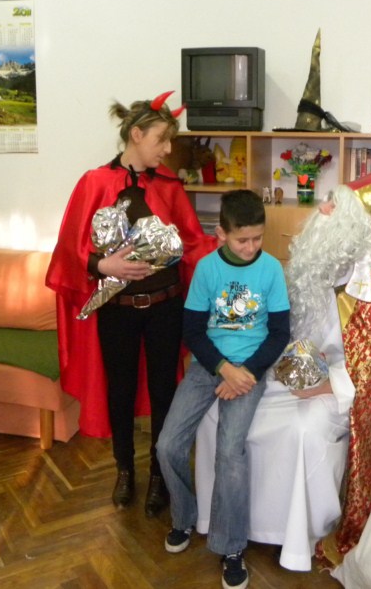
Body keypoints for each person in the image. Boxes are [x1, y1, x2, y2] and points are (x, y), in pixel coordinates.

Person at [195, 171, 371, 572]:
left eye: (334, 206)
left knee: (301, 430)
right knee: (214, 413)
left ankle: (295, 535)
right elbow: (284, 331)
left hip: (341, 389)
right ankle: (230, 520)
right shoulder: (314, 267)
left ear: (352, 225)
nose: (323, 209)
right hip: (295, 370)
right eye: (327, 200)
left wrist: (322, 387)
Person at [45, 91, 216, 517]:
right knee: (119, 391)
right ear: (136, 135)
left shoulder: (169, 186)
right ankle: (125, 470)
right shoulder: (94, 183)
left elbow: (192, 244)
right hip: (118, 311)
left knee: (164, 392)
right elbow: (69, 250)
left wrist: (230, 253)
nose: (168, 149)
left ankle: (160, 474)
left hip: (166, 308)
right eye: (161, 139)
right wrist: (103, 263)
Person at [156, 189, 290, 589]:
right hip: (208, 367)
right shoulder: (206, 270)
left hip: (250, 369)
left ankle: (231, 547)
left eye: (257, 238)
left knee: (230, 451)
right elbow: (193, 331)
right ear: (221, 234)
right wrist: (222, 369)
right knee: (167, 445)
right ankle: (184, 517)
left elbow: (279, 333)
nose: (251, 248)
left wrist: (245, 372)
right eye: (242, 239)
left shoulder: (271, 270)